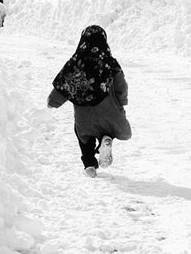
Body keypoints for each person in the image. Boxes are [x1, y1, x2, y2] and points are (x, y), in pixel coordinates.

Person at [47, 25, 131, 178]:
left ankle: (89, 164)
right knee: (109, 127)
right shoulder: (110, 63)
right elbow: (121, 86)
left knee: (83, 136)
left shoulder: (75, 64)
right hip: (109, 111)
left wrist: (53, 102)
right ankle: (107, 139)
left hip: (84, 115)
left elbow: (62, 86)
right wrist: (122, 101)